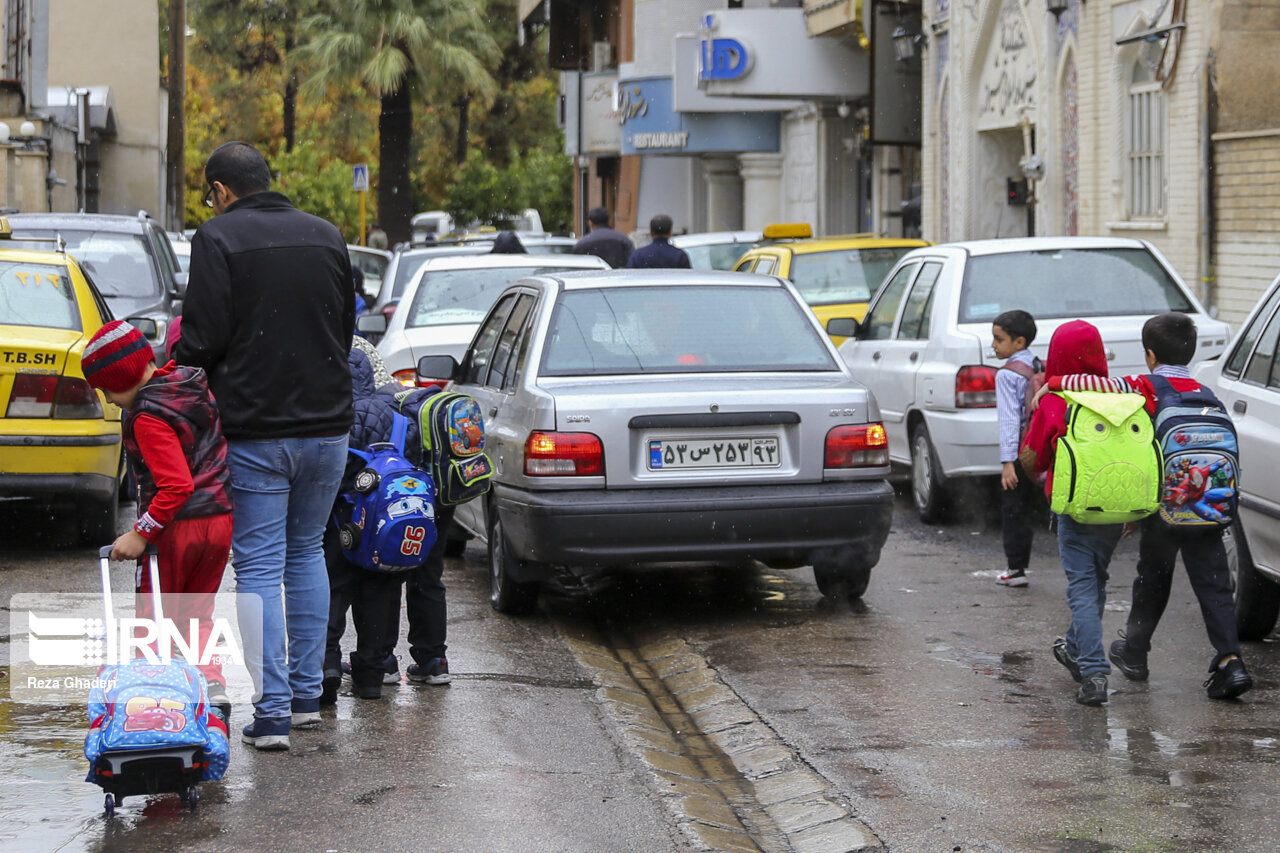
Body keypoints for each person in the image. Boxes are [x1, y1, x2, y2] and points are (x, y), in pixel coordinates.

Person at [175, 141, 354, 751]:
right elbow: (346, 327)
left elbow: (199, 338)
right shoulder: (327, 235)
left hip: (255, 430)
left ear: (221, 190)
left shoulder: (217, 239)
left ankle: (272, 711)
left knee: (256, 566)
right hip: (328, 426)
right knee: (306, 553)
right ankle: (307, 696)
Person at [1033, 312, 1253, 700]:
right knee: (1215, 583)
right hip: (1207, 503)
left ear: (1149, 355)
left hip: (1164, 503)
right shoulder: (1206, 394)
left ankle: (1135, 651)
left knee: (1154, 575)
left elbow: (1090, 384)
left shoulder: (1140, 386)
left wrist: (1050, 382)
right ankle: (1229, 660)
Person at [81, 320, 235, 722]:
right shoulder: (188, 388)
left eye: (109, 390)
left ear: (124, 378)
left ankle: (152, 704)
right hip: (218, 520)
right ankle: (210, 690)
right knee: (197, 613)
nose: (110, 401)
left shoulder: (148, 417)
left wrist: (139, 532)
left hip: (175, 529)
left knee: (155, 619)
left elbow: (176, 487)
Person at [1019, 320, 1121, 707]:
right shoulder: (1123, 397)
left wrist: (1048, 395)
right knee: (1095, 580)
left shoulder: (1055, 401)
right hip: (1117, 505)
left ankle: (1094, 671)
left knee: (1081, 585)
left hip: (1075, 507)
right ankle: (1074, 647)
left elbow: (1034, 458)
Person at [991, 310, 1043, 587]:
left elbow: (1010, 419)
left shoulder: (1007, 375)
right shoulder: (1038, 364)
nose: (993, 345)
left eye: (999, 339)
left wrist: (1007, 461)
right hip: (1044, 447)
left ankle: (1016, 569)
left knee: (1015, 508)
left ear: (1019, 342)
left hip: (1021, 454)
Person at [626, 214, 691, 269]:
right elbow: (688, 278)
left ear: (651, 232)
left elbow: (629, 277)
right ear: (670, 232)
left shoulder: (638, 255)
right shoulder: (680, 256)